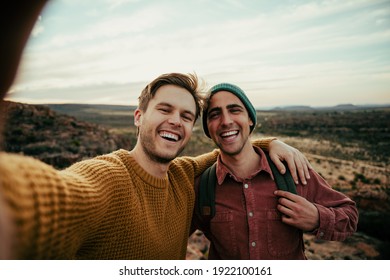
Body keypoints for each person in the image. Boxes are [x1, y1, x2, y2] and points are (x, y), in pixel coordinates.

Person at [0, 1, 312, 260]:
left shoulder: (182, 175)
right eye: (165, 110)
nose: (176, 120)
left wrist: (269, 143)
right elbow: (52, 200)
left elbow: (226, 148)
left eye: (186, 116)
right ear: (139, 116)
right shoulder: (109, 178)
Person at [191, 83, 359, 259]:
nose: (226, 121)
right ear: (208, 129)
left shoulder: (291, 171)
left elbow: (350, 215)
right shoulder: (202, 187)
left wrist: (317, 218)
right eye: (215, 114)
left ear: (250, 119)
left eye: (235, 110)